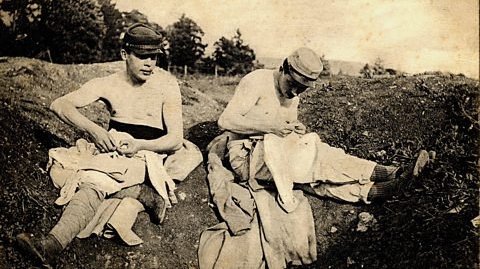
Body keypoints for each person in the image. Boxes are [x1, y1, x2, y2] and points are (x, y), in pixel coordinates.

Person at [16, 23, 199, 267]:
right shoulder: (108, 84)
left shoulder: (166, 85)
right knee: (60, 169)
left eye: (153, 57)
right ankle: (143, 194)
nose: (149, 64)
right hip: (113, 152)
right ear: (125, 54)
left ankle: (52, 245)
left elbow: (175, 140)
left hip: (148, 154)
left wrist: (139, 145)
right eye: (142, 57)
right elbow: (59, 104)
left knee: (93, 181)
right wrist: (94, 130)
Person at [212, 47, 430, 212]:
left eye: (303, 89)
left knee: (316, 184)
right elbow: (226, 120)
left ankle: (385, 190)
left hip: (274, 155)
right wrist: (270, 127)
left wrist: (295, 129)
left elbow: (284, 131)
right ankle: (393, 172)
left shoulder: (293, 98)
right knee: (320, 159)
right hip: (246, 156)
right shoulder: (257, 81)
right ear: (283, 69)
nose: (296, 92)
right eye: (293, 84)